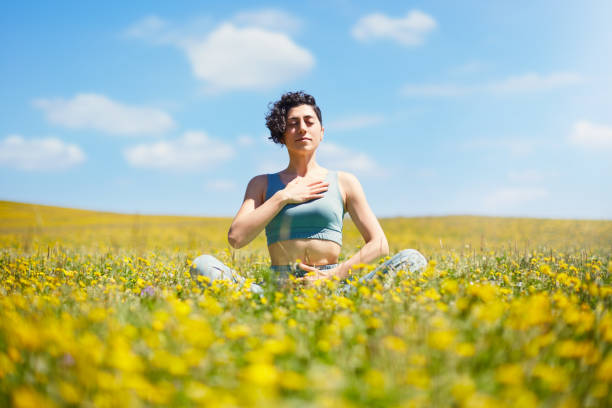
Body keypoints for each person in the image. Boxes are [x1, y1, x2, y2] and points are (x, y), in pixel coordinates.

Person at [191, 91, 427, 293]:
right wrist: (283, 197)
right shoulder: (261, 184)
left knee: (413, 259)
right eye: (293, 123)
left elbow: (380, 244)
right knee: (202, 265)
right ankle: (270, 304)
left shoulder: (345, 181)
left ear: (321, 132)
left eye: (309, 121)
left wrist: (332, 276)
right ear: (282, 134)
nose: (302, 128)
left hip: (334, 286)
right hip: (276, 288)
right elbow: (236, 238)